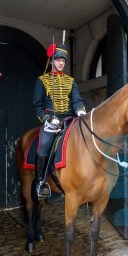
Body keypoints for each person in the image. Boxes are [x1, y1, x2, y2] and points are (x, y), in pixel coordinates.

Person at [32, 43, 86, 197]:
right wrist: (46, 118)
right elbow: (37, 105)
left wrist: (81, 111)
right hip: (51, 121)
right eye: (58, 60)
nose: (61, 63)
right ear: (52, 61)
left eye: (63, 60)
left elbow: (76, 100)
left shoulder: (71, 81)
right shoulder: (42, 80)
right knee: (44, 144)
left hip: (69, 119)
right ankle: (40, 182)